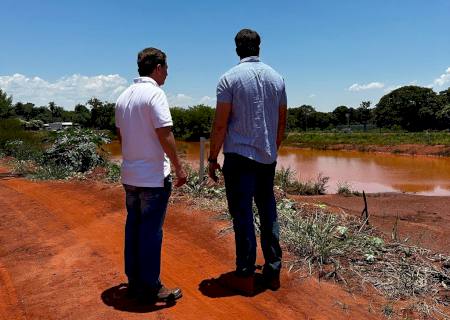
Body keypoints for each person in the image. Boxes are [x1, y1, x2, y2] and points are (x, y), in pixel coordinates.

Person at [208, 29, 287, 293]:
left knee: (242, 215)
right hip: (267, 159)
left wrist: (212, 157)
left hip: (239, 158)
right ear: (259, 47)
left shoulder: (228, 79)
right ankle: (273, 271)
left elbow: (220, 125)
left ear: (237, 49)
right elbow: (281, 123)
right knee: (268, 212)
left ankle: (245, 274)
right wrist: (271, 149)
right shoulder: (277, 79)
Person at [115, 47, 187, 303]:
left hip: (130, 176)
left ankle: (134, 281)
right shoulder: (155, 94)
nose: (167, 73)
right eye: (166, 68)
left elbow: (122, 136)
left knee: (133, 227)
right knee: (151, 231)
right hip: (153, 178)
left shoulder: (123, 97)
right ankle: (151, 286)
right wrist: (179, 167)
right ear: (157, 68)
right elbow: (165, 133)